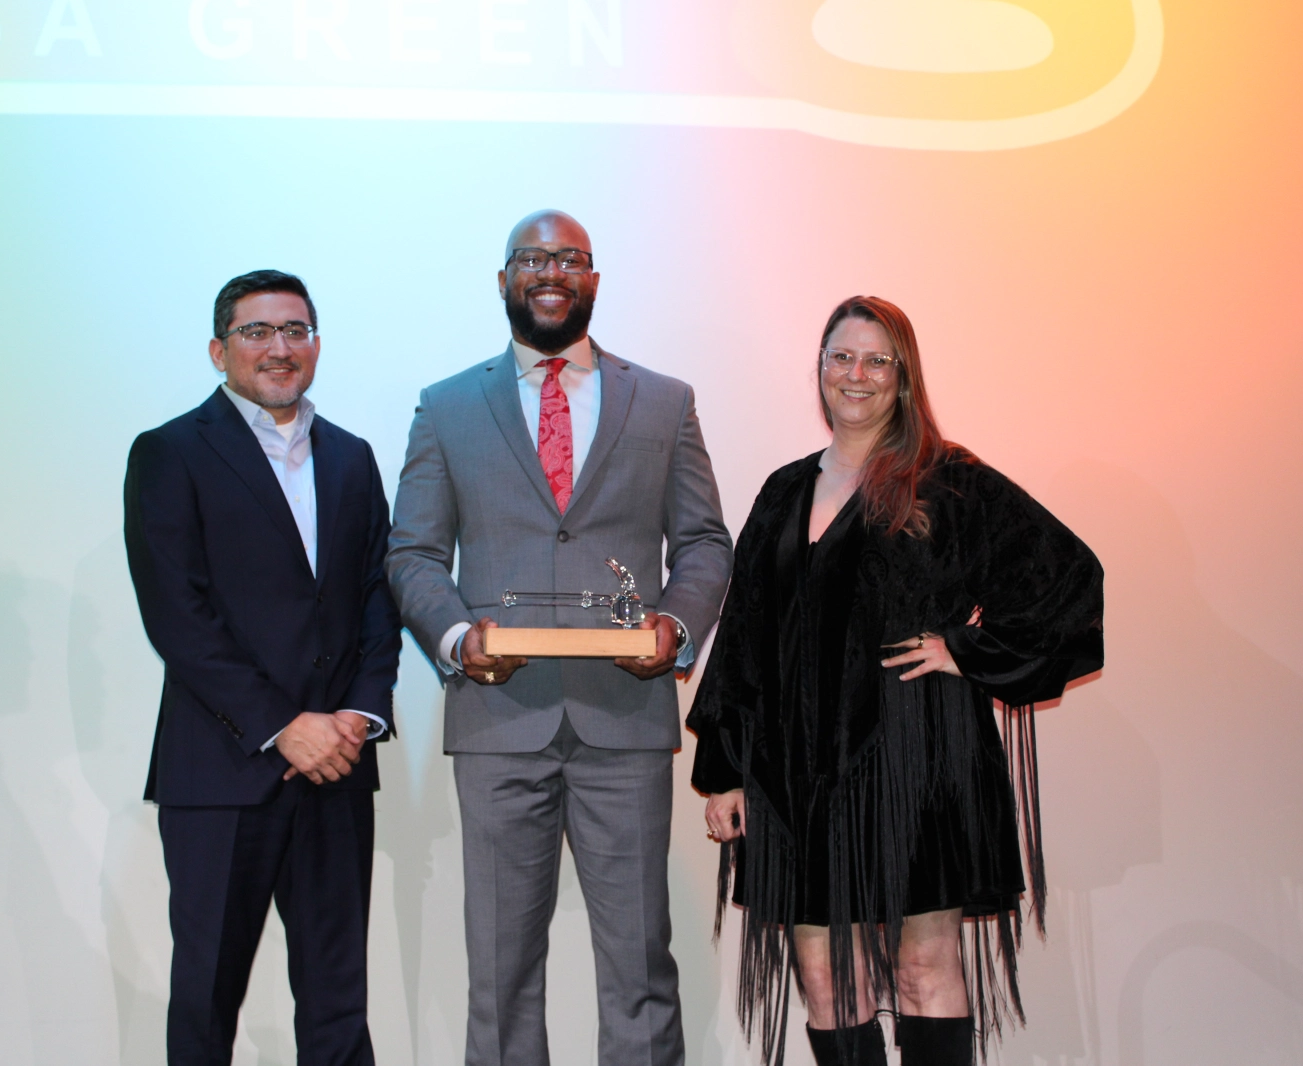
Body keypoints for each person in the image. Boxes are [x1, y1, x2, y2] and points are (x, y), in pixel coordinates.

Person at [687, 296, 1104, 1066]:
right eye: (842, 357)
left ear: (904, 378)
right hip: (793, 773)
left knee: (922, 967)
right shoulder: (783, 491)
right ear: (819, 370)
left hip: (919, 758)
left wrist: (968, 650)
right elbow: (744, 633)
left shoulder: (946, 481)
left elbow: (1068, 577)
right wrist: (722, 773)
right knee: (824, 978)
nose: (858, 375)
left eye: (878, 360)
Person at [386, 210, 733, 1066]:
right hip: (499, 725)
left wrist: (677, 628)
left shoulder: (665, 401)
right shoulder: (446, 406)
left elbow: (702, 543)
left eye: (570, 259)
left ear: (595, 280)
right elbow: (414, 553)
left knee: (641, 968)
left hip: (625, 722)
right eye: (533, 259)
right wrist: (460, 637)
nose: (552, 272)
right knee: (500, 976)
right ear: (503, 279)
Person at [124, 270, 402, 1066]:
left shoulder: (351, 458)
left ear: (314, 344)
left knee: (338, 1001)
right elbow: (178, 616)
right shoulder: (171, 453)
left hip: (338, 770)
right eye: (257, 332)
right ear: (220, 350)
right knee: (208, 997)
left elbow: (376, 602)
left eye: (296, 331)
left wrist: (357, 717)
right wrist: (285, 727)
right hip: (221, 773)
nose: (279, 348)